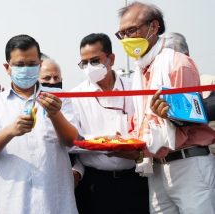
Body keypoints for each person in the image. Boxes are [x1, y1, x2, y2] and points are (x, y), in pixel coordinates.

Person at [116, 2, 215, 213]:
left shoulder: (177, 63)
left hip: (189, 164)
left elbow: (193, 114)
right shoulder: (140, 72)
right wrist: (125, 142)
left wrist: (170, 114)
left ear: (154, 26)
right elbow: (144, 123)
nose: (126, 39)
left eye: (131, 30)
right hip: (157, 167)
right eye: (122, 34)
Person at [0, 34, 78, 213]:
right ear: (7, 68)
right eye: (19, 65)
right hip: (14, 203)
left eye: (32, 64)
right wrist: (10, 131)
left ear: (40, 65)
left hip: (55, 201)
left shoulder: (58, 98)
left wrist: (55, 115)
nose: (26, 69)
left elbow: (72, 141)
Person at [71, 33, 149, 214]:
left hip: (135, 180)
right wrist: (105, 144)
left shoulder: (135, 88)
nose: (90, 67)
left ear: (111, 58)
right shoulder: (76, 96)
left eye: (95, 60)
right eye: (85, 63)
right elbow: (72, 141)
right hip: (96, 184)